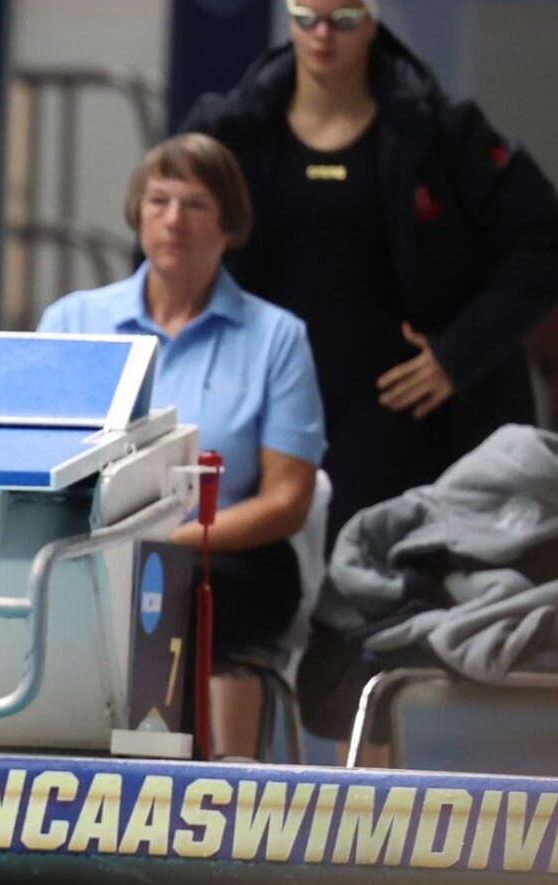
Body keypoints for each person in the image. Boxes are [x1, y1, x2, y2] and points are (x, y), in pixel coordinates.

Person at [180, 0, 558, 764]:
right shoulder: (236, 126)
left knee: (374, 594)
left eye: (344, 21)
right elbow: (173, 237)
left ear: (374, 24)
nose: (323, 37)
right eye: (307, 17)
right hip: (270, 408)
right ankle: (236, 783)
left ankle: (372, 793)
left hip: (395, 408)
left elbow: (541, 240)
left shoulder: (436, 130)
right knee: (243, 590)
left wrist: (460, 352)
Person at [37, 134, 326, 760]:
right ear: (137, 215)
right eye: (158, 200)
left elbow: (288, 501)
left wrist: (170, 542)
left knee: (162, 587)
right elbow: (38, 461)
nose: (173, 219)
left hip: (227, 556)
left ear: (229, 223)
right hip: (87, 547)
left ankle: (190, 782)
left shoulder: (276, 338)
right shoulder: (73, 322)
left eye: (194, 204)